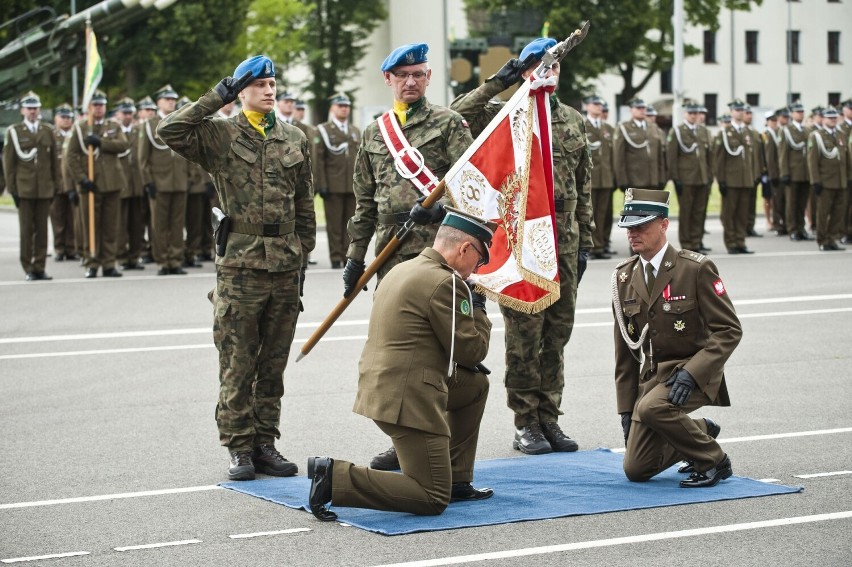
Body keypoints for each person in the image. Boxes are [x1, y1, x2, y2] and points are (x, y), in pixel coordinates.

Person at [158, 55, 316, 481]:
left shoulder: (296, 137)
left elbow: (304, 201)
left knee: (273, 363)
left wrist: (303, 254)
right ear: (241, 91)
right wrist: (216, 96)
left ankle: (265, 442)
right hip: (241, 266)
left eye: (272, 83)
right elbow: (170, 130)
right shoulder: (221, 135)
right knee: (237, 361)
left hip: (284, 264)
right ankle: (238, 447)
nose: (269, 90)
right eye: (259, 84)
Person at [451, 37, 592, 455]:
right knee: (524, 335)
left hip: (564, 237)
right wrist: (499, 82)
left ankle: (550, 417)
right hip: (520, 238)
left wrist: (586, 240)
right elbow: (453, 117)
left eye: (553, 65)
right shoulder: (504, 115)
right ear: (525, 71)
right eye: (537, 65)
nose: (547, 71)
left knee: (558, 333)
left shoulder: (572, 120)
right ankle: (525, 421)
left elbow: (585, 185)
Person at [307, 208, 495, 520]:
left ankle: (457, 478)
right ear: (464, 248)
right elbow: (473, 352)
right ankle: (335, 477)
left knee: (475, 385)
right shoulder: (446, 283)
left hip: (383, 386)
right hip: (408, 399)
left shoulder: (401, 269)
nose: (479, 266)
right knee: (431, 497)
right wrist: (479, 309)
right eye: (480, 258)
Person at [346, 43, 473, 471]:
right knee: (399, 354)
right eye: (403, 75)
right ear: (389, 80)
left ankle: (438, 444)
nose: (411, 81)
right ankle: (408, 439)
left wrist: (442, 210)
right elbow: (364, 202)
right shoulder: (374, 132)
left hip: (443, 253)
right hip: (393, 254)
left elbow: (474, 188)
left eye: (418, 74)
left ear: (429, 76)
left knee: (445, 352)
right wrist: (353, 258)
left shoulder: (449, 123)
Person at [611, 188, 742, 487]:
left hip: (694, 371)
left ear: (664, 224)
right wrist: (625, 408)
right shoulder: (623, 277)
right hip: (654, 379)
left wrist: (692, 373)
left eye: (641, 225)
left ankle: (714, 460)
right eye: (628, 227)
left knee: (653, 407)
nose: (632, 234)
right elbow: (625, 353)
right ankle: (699, 430)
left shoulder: (695, 268)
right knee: (636, 469)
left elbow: (729, 330)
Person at [64, 89, 130, 278]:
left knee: (110, 227)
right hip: (90, 185)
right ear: (89, 107)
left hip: (112, 183)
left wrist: (101, 142)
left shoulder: (113, 126)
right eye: (95, 105)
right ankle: (91, 262)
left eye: (101, 105)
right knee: (91, 227)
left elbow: (123, 145)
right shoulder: (81, 127)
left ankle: (109, 263)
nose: (99, 108)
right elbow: (71, 156)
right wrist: (82, 179)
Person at [2, 91, 61, 281]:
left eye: (35, 108)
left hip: (44, 187)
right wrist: (13, 190)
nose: (33, 112)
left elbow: (54, 162)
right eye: (29, 108)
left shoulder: (47, 130)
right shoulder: (14, 132)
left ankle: (40, 266)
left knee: (42, 231)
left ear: (40, 110)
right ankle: (28, 266)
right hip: (25, 188)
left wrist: (56, 185)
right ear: (22, 111)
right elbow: (9, 164)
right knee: (26, 230)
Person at [138, 84, 189, 276]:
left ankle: (175, 260)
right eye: (167, 99)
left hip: (179, 181)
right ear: (159, 102)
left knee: (177, 224)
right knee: (159, 224)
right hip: (158, 183)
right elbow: (142, 158)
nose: (171, 102)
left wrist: (189, 178)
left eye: (173, 99)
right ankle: (162, 261)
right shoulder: (149, 125)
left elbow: (189, 153)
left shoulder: (182, 121)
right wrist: (147, 182)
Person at [314, 92, 361, 269]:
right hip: (332, 186)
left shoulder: (355, 131)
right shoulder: (324, 130)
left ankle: (347, 255)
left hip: (351, 186)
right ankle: (335, 257)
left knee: (350, 225)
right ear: (333, 108)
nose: (344, 109)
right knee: (334, 225)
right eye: (340, 106)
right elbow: (319, 160)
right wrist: (322, 185)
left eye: (346, 106)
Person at [666, 103, 711, 253]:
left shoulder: (702, 131)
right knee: (686, 212)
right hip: (686, 178)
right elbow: (671, 157)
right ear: (685, 114)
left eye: (696, 113)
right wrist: (675, 178)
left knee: (699, 212)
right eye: (691, 113)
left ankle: (697, 242)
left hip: (702, 177)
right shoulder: (677, 131)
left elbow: (707, 156)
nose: (693, 115)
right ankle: (687, 244)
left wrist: (709, 176)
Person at [713, 98, 755, 254]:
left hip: (745, 180)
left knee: (742, 213)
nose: (740, 112)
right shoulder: (725, 133)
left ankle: (740, 241)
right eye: (737, 110)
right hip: (731, 180)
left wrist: (752, 177)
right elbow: (719, 160)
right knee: (730, 214)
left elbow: (751, 158)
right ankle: (731, 243)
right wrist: (721, 180)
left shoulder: (747, 132)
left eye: (742, 110)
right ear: (731, 112)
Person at [807, 106, 849, 251]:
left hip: (841, 180)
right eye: (830, 117)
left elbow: (846, 158)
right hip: (825, 181)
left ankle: (832, 238)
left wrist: (848, 177)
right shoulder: (816, 136)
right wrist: (815, 181)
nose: (833, 120)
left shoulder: (841, 134)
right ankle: (823, 240)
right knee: (823, 213)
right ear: (823, 119)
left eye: (834, 117)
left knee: (839, 212)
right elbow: (812, 160)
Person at [113, 97, 146, 270]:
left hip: (137, 184)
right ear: (118, 114)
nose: (127, 116)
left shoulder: (138, 131)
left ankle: (135, 256)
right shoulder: (112, 131)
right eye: (124, 113)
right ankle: (122, 256)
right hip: (121, 184)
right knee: (120, 224)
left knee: (137, 224)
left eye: (130, 113)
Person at [585, 95, 616, 259]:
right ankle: (591, 246)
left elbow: (613, 155)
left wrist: (614, 176)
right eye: (595, 104)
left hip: (606, 178)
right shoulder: (583, 125)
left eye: (600, 104)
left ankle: (602, 244)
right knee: (590, 214)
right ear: (587, 106)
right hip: (590, 177)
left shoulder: (608, 129)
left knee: (604, 214)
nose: (598, 107)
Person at [614, 98, 666, 191]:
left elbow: (660, 156)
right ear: (631, 110)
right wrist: (622, 181)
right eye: (638, 108)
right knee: (635, 206)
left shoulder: (653, 127)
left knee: (651, 205)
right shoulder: (624, 128)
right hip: (634, 180)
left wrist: (661, 178)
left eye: (643, 108)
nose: (642, 110)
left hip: (653, 179)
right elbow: (619, 157)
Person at [779, 101, 813, 241]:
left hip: (805, 173)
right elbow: (783, 153)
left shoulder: (807, 131)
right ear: (792, 114)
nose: (801, 114)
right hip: (793, 173)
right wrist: (784, 173)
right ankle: (792, 229)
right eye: (798, 112)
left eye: (802, 111)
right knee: (792, 203)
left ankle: (801, 227)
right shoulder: (786, 131)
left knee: (802, 203)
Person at [50, 103, 80, 262]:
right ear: (56, 118)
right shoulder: (51, 135)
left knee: (73, 218)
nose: (67, 120)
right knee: (58, 218)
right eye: (63, 117)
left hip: (73, 183)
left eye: (69, 117)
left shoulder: (76, 134)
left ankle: (72, 247)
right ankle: (59, 248)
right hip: (57, 183)